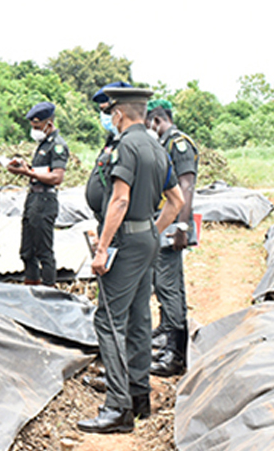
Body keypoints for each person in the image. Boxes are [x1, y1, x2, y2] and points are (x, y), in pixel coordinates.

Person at [78, 85, 184, 435]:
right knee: (139, 318)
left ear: (119, 114)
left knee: (108, 320)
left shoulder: (125, 147)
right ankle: (139, 396)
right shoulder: (156, 145)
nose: (109, 119)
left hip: (123, 242)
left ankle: (117, 407)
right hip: (147, 240)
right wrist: (152, 230)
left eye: (110, 113)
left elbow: (119, 201)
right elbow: (176, 199)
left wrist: (102, 247)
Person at [147, 99, 199, 377]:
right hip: (165, 219)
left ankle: (175, 354)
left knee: (168, 284)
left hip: (173, 223)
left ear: (156, 120)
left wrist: (181, 227)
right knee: (165, 282)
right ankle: (167, 333)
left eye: (148, 124)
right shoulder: (164, 143)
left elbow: (186, 185)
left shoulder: (178, 144)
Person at [6, 101, 68, 286]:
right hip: (33, 198)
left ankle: (48, 292)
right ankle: (31, 288)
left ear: (49, 124)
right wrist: (24, 167)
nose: (34, 130)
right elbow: (40, 170)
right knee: (27, 251)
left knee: (44, 251)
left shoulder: (57, 145)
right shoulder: (42, 144)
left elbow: (57, 177)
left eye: (37, 127)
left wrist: (28, 173)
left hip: (45, 200)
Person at [85, 85, 124, 227]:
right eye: (102, 112)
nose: (105, 117)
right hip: (105, 220)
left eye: (108, 111)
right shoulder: (112, 139)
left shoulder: (131, 143)